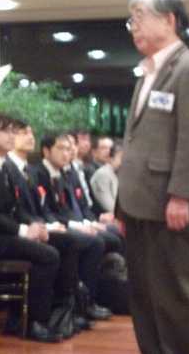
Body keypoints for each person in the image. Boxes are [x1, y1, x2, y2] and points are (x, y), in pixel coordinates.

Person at [117, 0, 189, 354]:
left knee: (171, 300)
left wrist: (180, 195)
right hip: (137, 206)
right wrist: (120, 206)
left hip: (169, 206)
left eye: (140, 17)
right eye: (130, 20)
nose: (133, 26)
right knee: (142, 297)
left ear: (169, 20)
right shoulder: (145, 74)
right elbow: (136, 144)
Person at [0, 112, 62, 343]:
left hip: (2, 235)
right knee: (48, 256)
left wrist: (35, 226)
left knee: (57, 243)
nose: (11, 136)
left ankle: (29, 317)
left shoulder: (4, 165)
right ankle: (33, 323)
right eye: (6, 131)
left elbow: (15, 208)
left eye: (14, 131)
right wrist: (23, 231)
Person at [6, 120, 100, 333]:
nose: (30, 137)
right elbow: (14, 209)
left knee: (75, 241)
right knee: (66, 244)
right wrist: (42, 226)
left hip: (35, 224)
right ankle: (50, 314)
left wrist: (48, 224)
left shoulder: (28, 170)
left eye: (31, 132)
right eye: (22, 132)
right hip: (15, 230)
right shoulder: (10, 168)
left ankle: (68, 309)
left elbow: (43, 207)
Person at [30, 132, 113, 320]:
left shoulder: (62, 174)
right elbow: (45, 208)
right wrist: (71, 225)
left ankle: (88, 300)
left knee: (104, 238)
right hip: (48, 225)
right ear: (46, 151)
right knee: (91, 242)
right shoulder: (38, 173)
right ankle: (75, 305)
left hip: (63, 223)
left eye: (69, 149)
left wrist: (85, 223)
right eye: (61, 148)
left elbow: (72, 207)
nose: (66, 153)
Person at [90, 142, 124, 221]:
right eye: (122, 158)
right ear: (111, 158)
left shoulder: (118, 174)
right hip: (100, 218)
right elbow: (109, 206)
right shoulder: (103, 174)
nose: (124, 162)